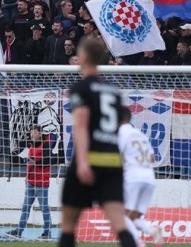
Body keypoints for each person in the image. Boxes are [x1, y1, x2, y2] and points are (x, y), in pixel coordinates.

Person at [58, 37, 136, 247]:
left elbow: (82, 126)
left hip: (89, 159)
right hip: (112, 162)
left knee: (68, 226)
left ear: (83, 56)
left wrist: (83, 162)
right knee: (120, 226)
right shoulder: (113, 92)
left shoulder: (81, 88)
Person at [117, 106, 162, 247]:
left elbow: (116, 156)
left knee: (121, 215)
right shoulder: (140, 134)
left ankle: (138, 243)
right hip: (149, 178)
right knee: (134, 217)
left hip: (133, 177)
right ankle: (152, 230)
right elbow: (152, 158)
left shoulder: (120, 134)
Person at [7, 125, 53, 240]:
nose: (32, 134)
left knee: (44, 208)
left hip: (41, 182)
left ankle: (47, 233)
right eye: (31, 132)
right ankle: (18, 231)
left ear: (40, 134)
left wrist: (35, 162)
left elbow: (48, 161)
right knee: (26, 207)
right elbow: (30, 162)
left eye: (34, 132)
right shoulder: (31, 145)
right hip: (31, 181)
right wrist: (27, 174)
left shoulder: (45, 145)